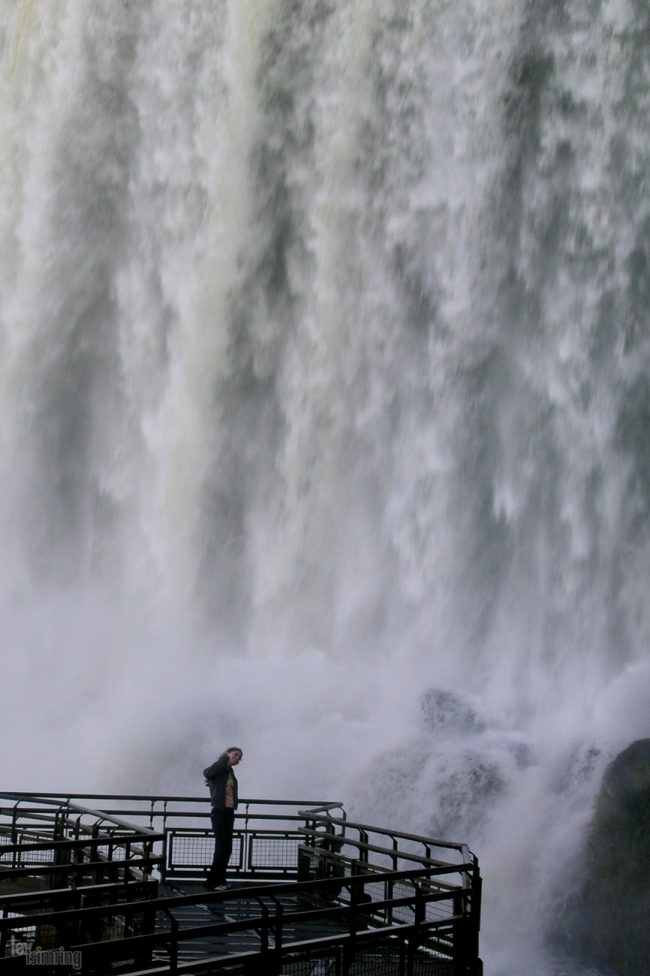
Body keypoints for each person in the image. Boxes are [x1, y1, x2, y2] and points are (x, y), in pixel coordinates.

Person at [203, 747, 243, 890]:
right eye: (235, 754)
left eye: (239, 756)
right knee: (221, 847)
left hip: (228, 811)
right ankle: (212, 883)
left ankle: (221, 880)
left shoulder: (229, 771)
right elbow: (207, 773)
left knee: (227, 848)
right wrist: (224, 759)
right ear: (227, 753)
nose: (237, 757)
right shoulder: (219, 768)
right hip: (219, 812)